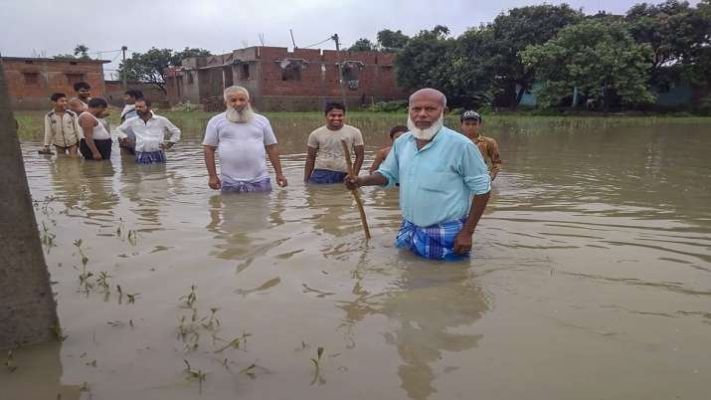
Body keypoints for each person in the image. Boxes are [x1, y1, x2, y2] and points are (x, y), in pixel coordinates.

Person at [345, 88, 491, 261]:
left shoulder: (462, 146)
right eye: (416, 109)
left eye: (429, 109)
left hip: (447, 232)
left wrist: (467, 232)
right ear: (409, 111)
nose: (421, 114)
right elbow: (387, 175)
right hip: (409, 227)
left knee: (450, 281)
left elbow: (483, 190)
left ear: (444, 112)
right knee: (407, 278)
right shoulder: (402, 142)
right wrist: (361, 180)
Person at [203, 85, 288, 193]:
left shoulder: (262, 121)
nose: (238, 103)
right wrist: (212, 176)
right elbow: (208, 149)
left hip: (260, 180)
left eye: (242, 99)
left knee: (263, 209)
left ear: (248, 101)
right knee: (230, 209)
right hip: (229, 182)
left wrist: (279, 174)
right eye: (233, 100)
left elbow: (271, 148)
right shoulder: (216, 121)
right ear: (226, 103)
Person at [304, 102, 364, 184]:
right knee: (317, 194)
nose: (336, 118)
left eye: (340, 116)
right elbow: (310, 158)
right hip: (321, 173)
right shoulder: (315, 134)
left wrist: (354, 175)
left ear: (344, 116)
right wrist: (306, 180)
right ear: (326, 116)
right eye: (332, 115)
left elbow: (360, 156)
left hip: (344, 173)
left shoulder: (354, 132)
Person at [116, 99, 181, 164]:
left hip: (158, 153)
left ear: (149, 108)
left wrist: (169, 144)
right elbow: (118, 129)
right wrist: (125, 138)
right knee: (142, 172)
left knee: (160, 172)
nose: (138, 109)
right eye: (136, 107)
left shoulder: (161, 120)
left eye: (140, 107)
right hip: (141, 154)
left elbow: (176, 131)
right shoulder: (132, 121)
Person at [460, 110, 502, 181]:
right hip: (460, 177)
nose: (470, 127)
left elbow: (497, 163)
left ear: (479, 125)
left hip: (480, 178)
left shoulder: (489, 142)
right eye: (467, 124)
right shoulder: (456, 141)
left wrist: (491, 177)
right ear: (462, 125)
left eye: (474, 124)